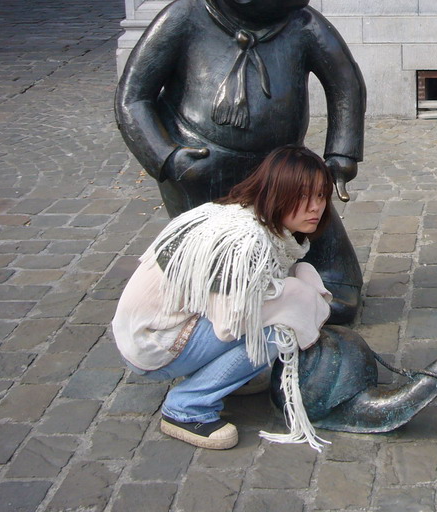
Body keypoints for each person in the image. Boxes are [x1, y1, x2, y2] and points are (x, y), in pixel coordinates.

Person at [114, 0, 366, 323]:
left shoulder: (302, 25)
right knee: (218, 267)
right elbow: (132, 97)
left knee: (328, 259)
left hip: (281, 164)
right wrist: (168, 157)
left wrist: (341, 156)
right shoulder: (182, 19)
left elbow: (345, 84)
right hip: (200, 169)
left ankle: (323, 276)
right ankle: (222, 295)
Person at [112, 146, 334, 450]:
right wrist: (296, 304)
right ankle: (186, 408)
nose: (315, 207)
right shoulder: (245, 240)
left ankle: (226, 376)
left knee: (294, 286)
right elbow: (230, 325)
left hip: (158, 326)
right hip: (153, 342)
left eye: (321, 195)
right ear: (277, 192)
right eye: (303, 195)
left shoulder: (251, 217)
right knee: (279, 329)